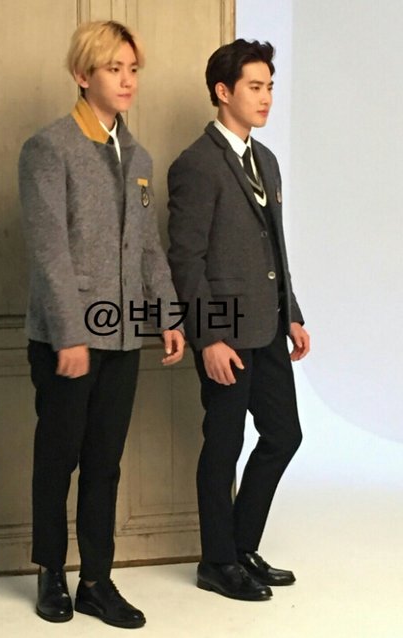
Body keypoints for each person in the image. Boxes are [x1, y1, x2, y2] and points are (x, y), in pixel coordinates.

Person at [19, 20, 184, 628]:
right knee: (57, 457)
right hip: (66, 339)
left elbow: (147, 248)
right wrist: (70, 334)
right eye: (114, 68)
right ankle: (50, 573)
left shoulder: (138, 156)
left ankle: (96, 581)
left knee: (105, 463)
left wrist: (167, 314)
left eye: (133, 69)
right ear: (82, 74)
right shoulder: (49, 147)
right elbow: (49, 251)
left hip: (123, 336)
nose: (127, 80)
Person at [167, 39, 310, 602]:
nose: (266, 96)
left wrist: (291, 313)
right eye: (255, 86)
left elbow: (275, 246)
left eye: (270, 86)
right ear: (222, 92)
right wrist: (208, 338)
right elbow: (186, 260)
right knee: (223, 445)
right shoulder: (196, 164)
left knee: (284, 434)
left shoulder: (265, 159)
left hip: (268, 326)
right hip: (224, 332)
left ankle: (241, 547)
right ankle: (216, 562)